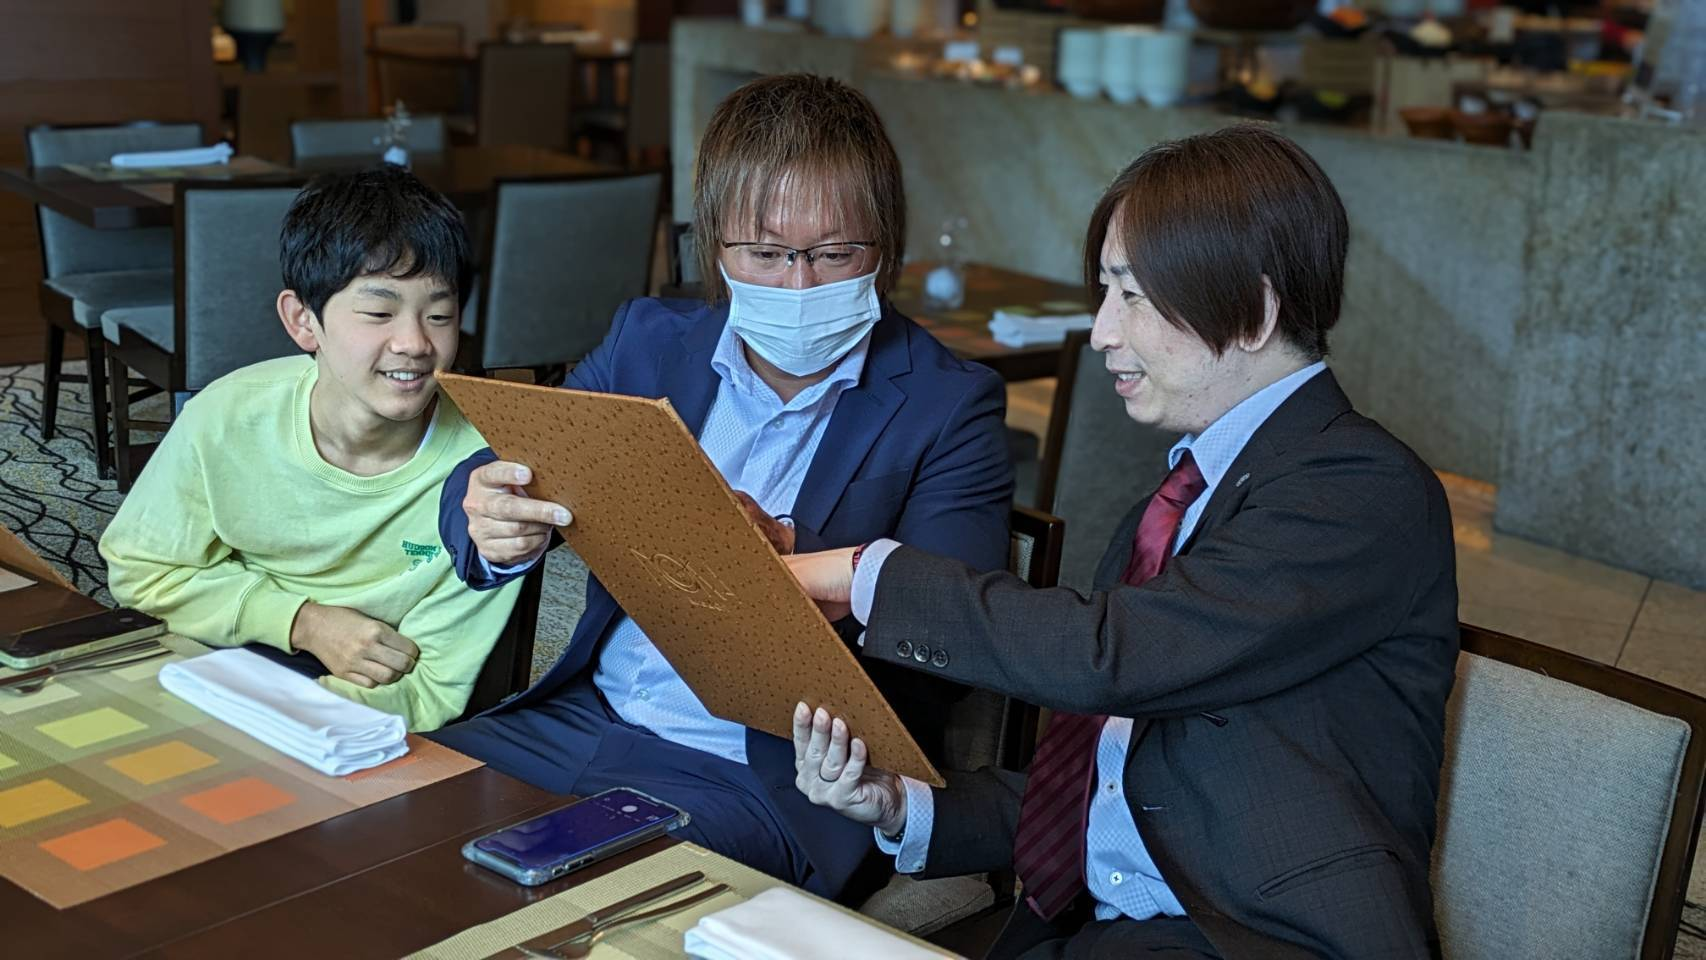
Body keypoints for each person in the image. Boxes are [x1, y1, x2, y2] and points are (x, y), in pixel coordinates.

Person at [785, 125, 1459, 958]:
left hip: (1258, 940)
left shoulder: (1360, 488)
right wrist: (903, 805)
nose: (1103, 331)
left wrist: (865, 573)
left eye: (1132, 296)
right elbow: (1102, 781)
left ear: (1255, 312)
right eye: (1106, 293)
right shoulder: (1171, 505)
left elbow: (1110, 655)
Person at [427, 74, 1013, 900]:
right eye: (765, 255)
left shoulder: (946, 403)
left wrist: (794, 559)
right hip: (577, 722)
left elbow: (959, 633)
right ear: (713, 247)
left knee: (560, 903)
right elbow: (506, 464)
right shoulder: (648, 343)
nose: (799, 286)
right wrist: (489, 517)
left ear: (886, 244)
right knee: (381, 827)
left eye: (836, 253)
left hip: (760, 777)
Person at [101, 165, 523, 732]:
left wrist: (283, 724)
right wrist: (304, 622)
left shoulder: (487, 478)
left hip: (351, 715)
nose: (415, 343)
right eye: (378, 313)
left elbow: (430, 689)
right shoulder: (229, 415)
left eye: (439, 315)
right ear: (303, 320)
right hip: (221, 661)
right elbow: (141, 572)